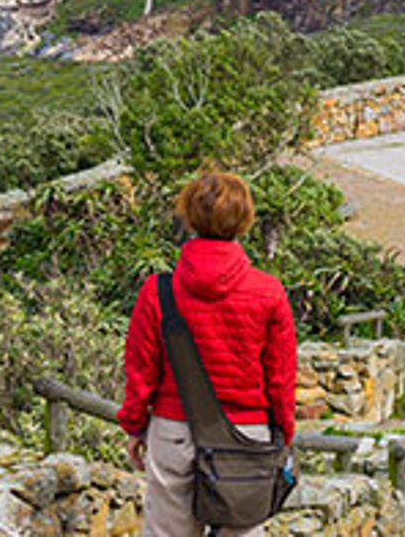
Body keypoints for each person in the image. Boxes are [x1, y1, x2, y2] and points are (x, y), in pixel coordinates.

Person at [116, 171, 298, 537]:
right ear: (244, 220)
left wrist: (135, 426)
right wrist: (282, 433)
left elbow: (140, 371)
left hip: (173, 432)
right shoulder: (269, 292)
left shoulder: (158, 291)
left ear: (189, 216)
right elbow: (280, 378)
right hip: (246, 437)